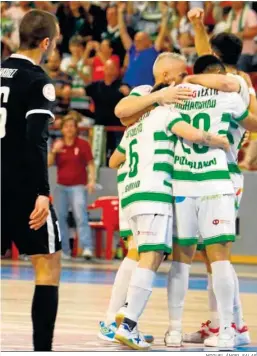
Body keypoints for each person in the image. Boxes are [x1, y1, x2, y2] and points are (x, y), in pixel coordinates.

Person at [111, 83, 229, 351]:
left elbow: (113, 161)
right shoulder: (166, 113)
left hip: (129, 197)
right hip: (154, 194)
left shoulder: (135, 126)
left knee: (141, 256)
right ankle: (128, 323)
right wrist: (220, 141)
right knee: (151, 258)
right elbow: (192, 134)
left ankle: (125, 312)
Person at [165, 55, 257, 350]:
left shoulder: (178, 94)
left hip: (184, 180)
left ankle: (177, 330)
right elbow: (250, 116)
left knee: (187, 259)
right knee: (217, 258)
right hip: (219, 179)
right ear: (216, 73)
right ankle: (227, 328)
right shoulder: (230, 93)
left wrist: (185, 80)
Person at [1, 10, 61, 351]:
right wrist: (42, 191)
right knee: (48, 266)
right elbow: (36, 137)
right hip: (21, 185)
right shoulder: (38, 80)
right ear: (45, 43)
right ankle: (42, 350)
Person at [48, 115, 95, 260]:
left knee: (81, 217)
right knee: (60, 218)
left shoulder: (83, 144)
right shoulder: (57, 144)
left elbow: (91, 164)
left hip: (78, 187)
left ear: (76, 129)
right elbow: (48, 163)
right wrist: (54, 151)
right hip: (61, 186)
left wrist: (92, 180)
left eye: (72, 126)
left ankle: (87, 248)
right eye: (66, 126)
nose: (69, 129)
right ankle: (64, 251)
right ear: (62, 129)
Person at [84, 59, 130, 156]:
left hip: (117, 128)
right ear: (104, 69)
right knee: (99, 155)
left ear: (117, 71)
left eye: (112, 68)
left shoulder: (122, 85)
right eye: (107, 67)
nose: (109, 70)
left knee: (117, 155)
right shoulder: (96, 86)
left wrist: (128, 93)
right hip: (99, 128)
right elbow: (81, 91)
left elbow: (131, 94)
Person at [118, 2, 169, 87]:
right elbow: (123, 32)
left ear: (148, 42)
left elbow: (162, 32)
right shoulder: (132, 49)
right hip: (128, 89)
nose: (136, 42)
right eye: (135, 40)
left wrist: (165, 15)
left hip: (146, 89)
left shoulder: (153, 50)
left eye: (139, 40)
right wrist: (120, 13)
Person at [226, 1, 257, 72]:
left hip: (245, 52)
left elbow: (255, 31)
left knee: (240, 76)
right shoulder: (231, 14)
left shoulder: (249, 13)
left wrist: (237, 35)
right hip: (231, 53)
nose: (233, 2)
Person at [45, 49, 71, 117]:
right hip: (45, 114)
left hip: (61, 115)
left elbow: (65, 95)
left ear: (60, 61)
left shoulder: (66, 77)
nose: (53, 64)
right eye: (51, 61)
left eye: (55, 61)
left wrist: (45, 90)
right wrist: (59, 91)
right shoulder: (41, 76)